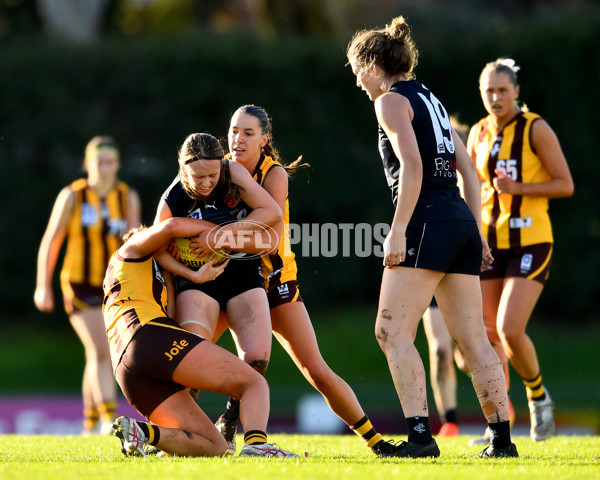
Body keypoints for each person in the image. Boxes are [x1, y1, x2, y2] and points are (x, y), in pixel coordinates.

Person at [346, 16, 518, 458]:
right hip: (458, 221)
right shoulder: (431, 98)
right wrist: (476, 233)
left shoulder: (389, 101)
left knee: (391, 331)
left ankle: (422, 438)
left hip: (426, 221)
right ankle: (501, 440)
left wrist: (398, 230)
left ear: (372, 65)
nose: (356, 81)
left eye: (356, 70)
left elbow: (413, 167)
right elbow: (471, 176)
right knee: (474, 339)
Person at [204, 104, 406, 457]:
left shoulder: (273, 173)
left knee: (316, 369)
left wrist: (220, 233)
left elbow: (269, 229)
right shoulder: (215, 170)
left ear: (264, 140)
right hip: (229, 281)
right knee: (190, 351)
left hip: (273, 281)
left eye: (248, 133)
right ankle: (176, 434)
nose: (237, 139)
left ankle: (376, 442)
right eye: (234, 131)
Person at [102, 216, 298, 458]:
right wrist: (221, 235)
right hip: (147, 335)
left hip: (126, 370)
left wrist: (189, 275)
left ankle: (141, 432)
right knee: (253, 383)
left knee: (214, 445)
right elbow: (171, 225)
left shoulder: (144, 275)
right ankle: (257, 446)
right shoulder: (132, 246)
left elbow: (172, 320)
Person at [153, 132, 284, 454]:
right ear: (184, 170)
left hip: (242, 272)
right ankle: (186, 434)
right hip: (198, 281)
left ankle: (234, 426)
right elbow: (156, 248)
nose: (208, 181)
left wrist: (222, 234)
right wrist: (190, 272)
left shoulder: (231, 171)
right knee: (190, 357)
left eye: (212, 174)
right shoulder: (173, 197)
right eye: (199, 176)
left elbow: (271, 213)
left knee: (257, 359)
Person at [466, 58, 574, 443]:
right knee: (487, 337)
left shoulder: (535, 128)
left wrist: (520, 189)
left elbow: (565, 184)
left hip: (531, 240)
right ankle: (499, 426)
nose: (495, 98)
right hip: (491, 244)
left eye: (502, 90)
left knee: (511, 329)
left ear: (516, 92)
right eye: (488, 91)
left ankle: (539, 397)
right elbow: (472, 190)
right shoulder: (477, 133)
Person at [34, 136, 141, 435]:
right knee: (100, 349)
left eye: (109, 162)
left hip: (112, 284)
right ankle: (109, 418)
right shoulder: (72, 196)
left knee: (95, 354)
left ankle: (89, 423)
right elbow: (51, 241)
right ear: (87, 164)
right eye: (98, 162)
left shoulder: (126, 196)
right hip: (79, 283)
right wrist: (43, 285)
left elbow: (134, 241)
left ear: (117, 165)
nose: (104, 168)